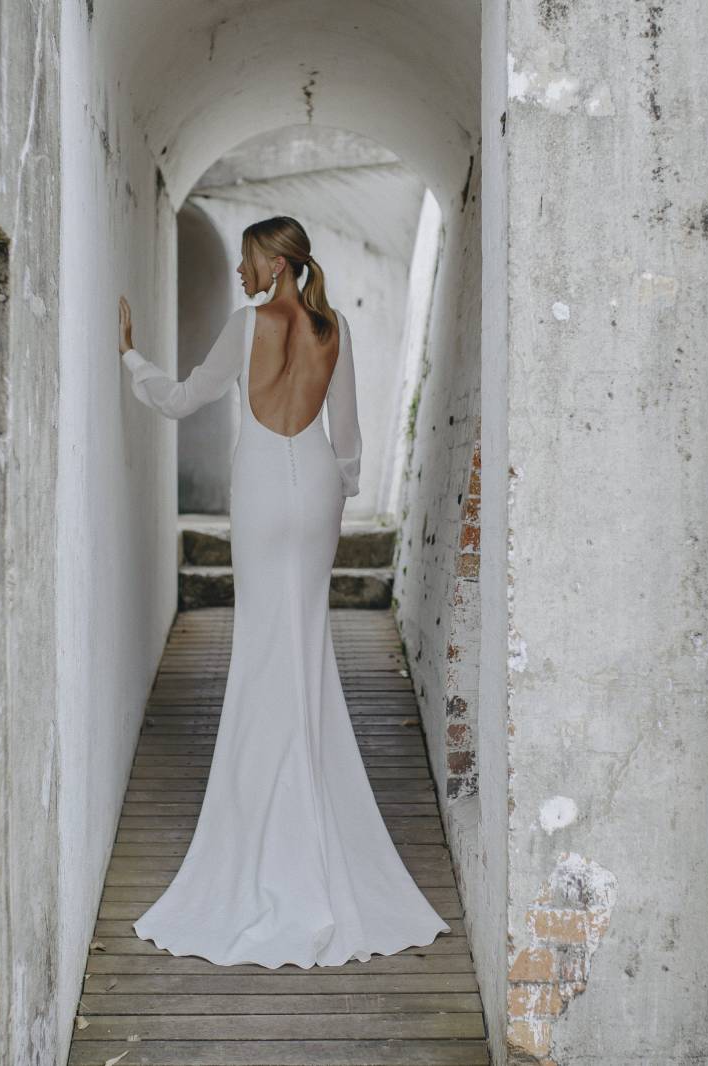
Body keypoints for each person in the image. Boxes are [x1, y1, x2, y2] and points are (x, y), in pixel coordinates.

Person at [116, 215, 450, 968]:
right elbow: (351, 440)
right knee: (305, 653)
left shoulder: (244, 327)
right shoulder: (335, 329)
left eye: (245, 261)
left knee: (261, 657)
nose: (239, 274)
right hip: (318, 495)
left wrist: (131, 357)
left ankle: (270, 827)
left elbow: (179, 400)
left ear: (273, 261)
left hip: (264, 496)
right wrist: (335, 491)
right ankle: (315, 817)